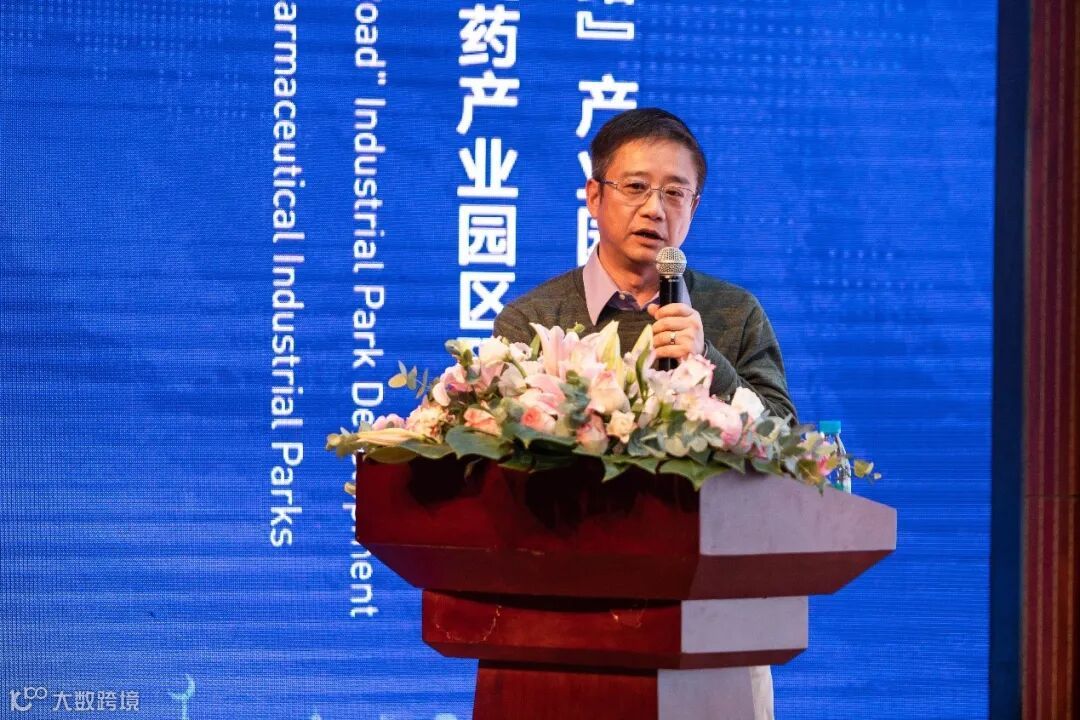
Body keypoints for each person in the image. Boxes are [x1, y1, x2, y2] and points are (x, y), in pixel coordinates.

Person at [493, 107, 796, 422]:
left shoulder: (737, 313)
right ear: (594, 197)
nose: (654, 209)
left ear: (693, 208)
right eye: (636, 187)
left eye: (674, 193)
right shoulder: (532, 321)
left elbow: (784, 432)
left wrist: (706, 361)